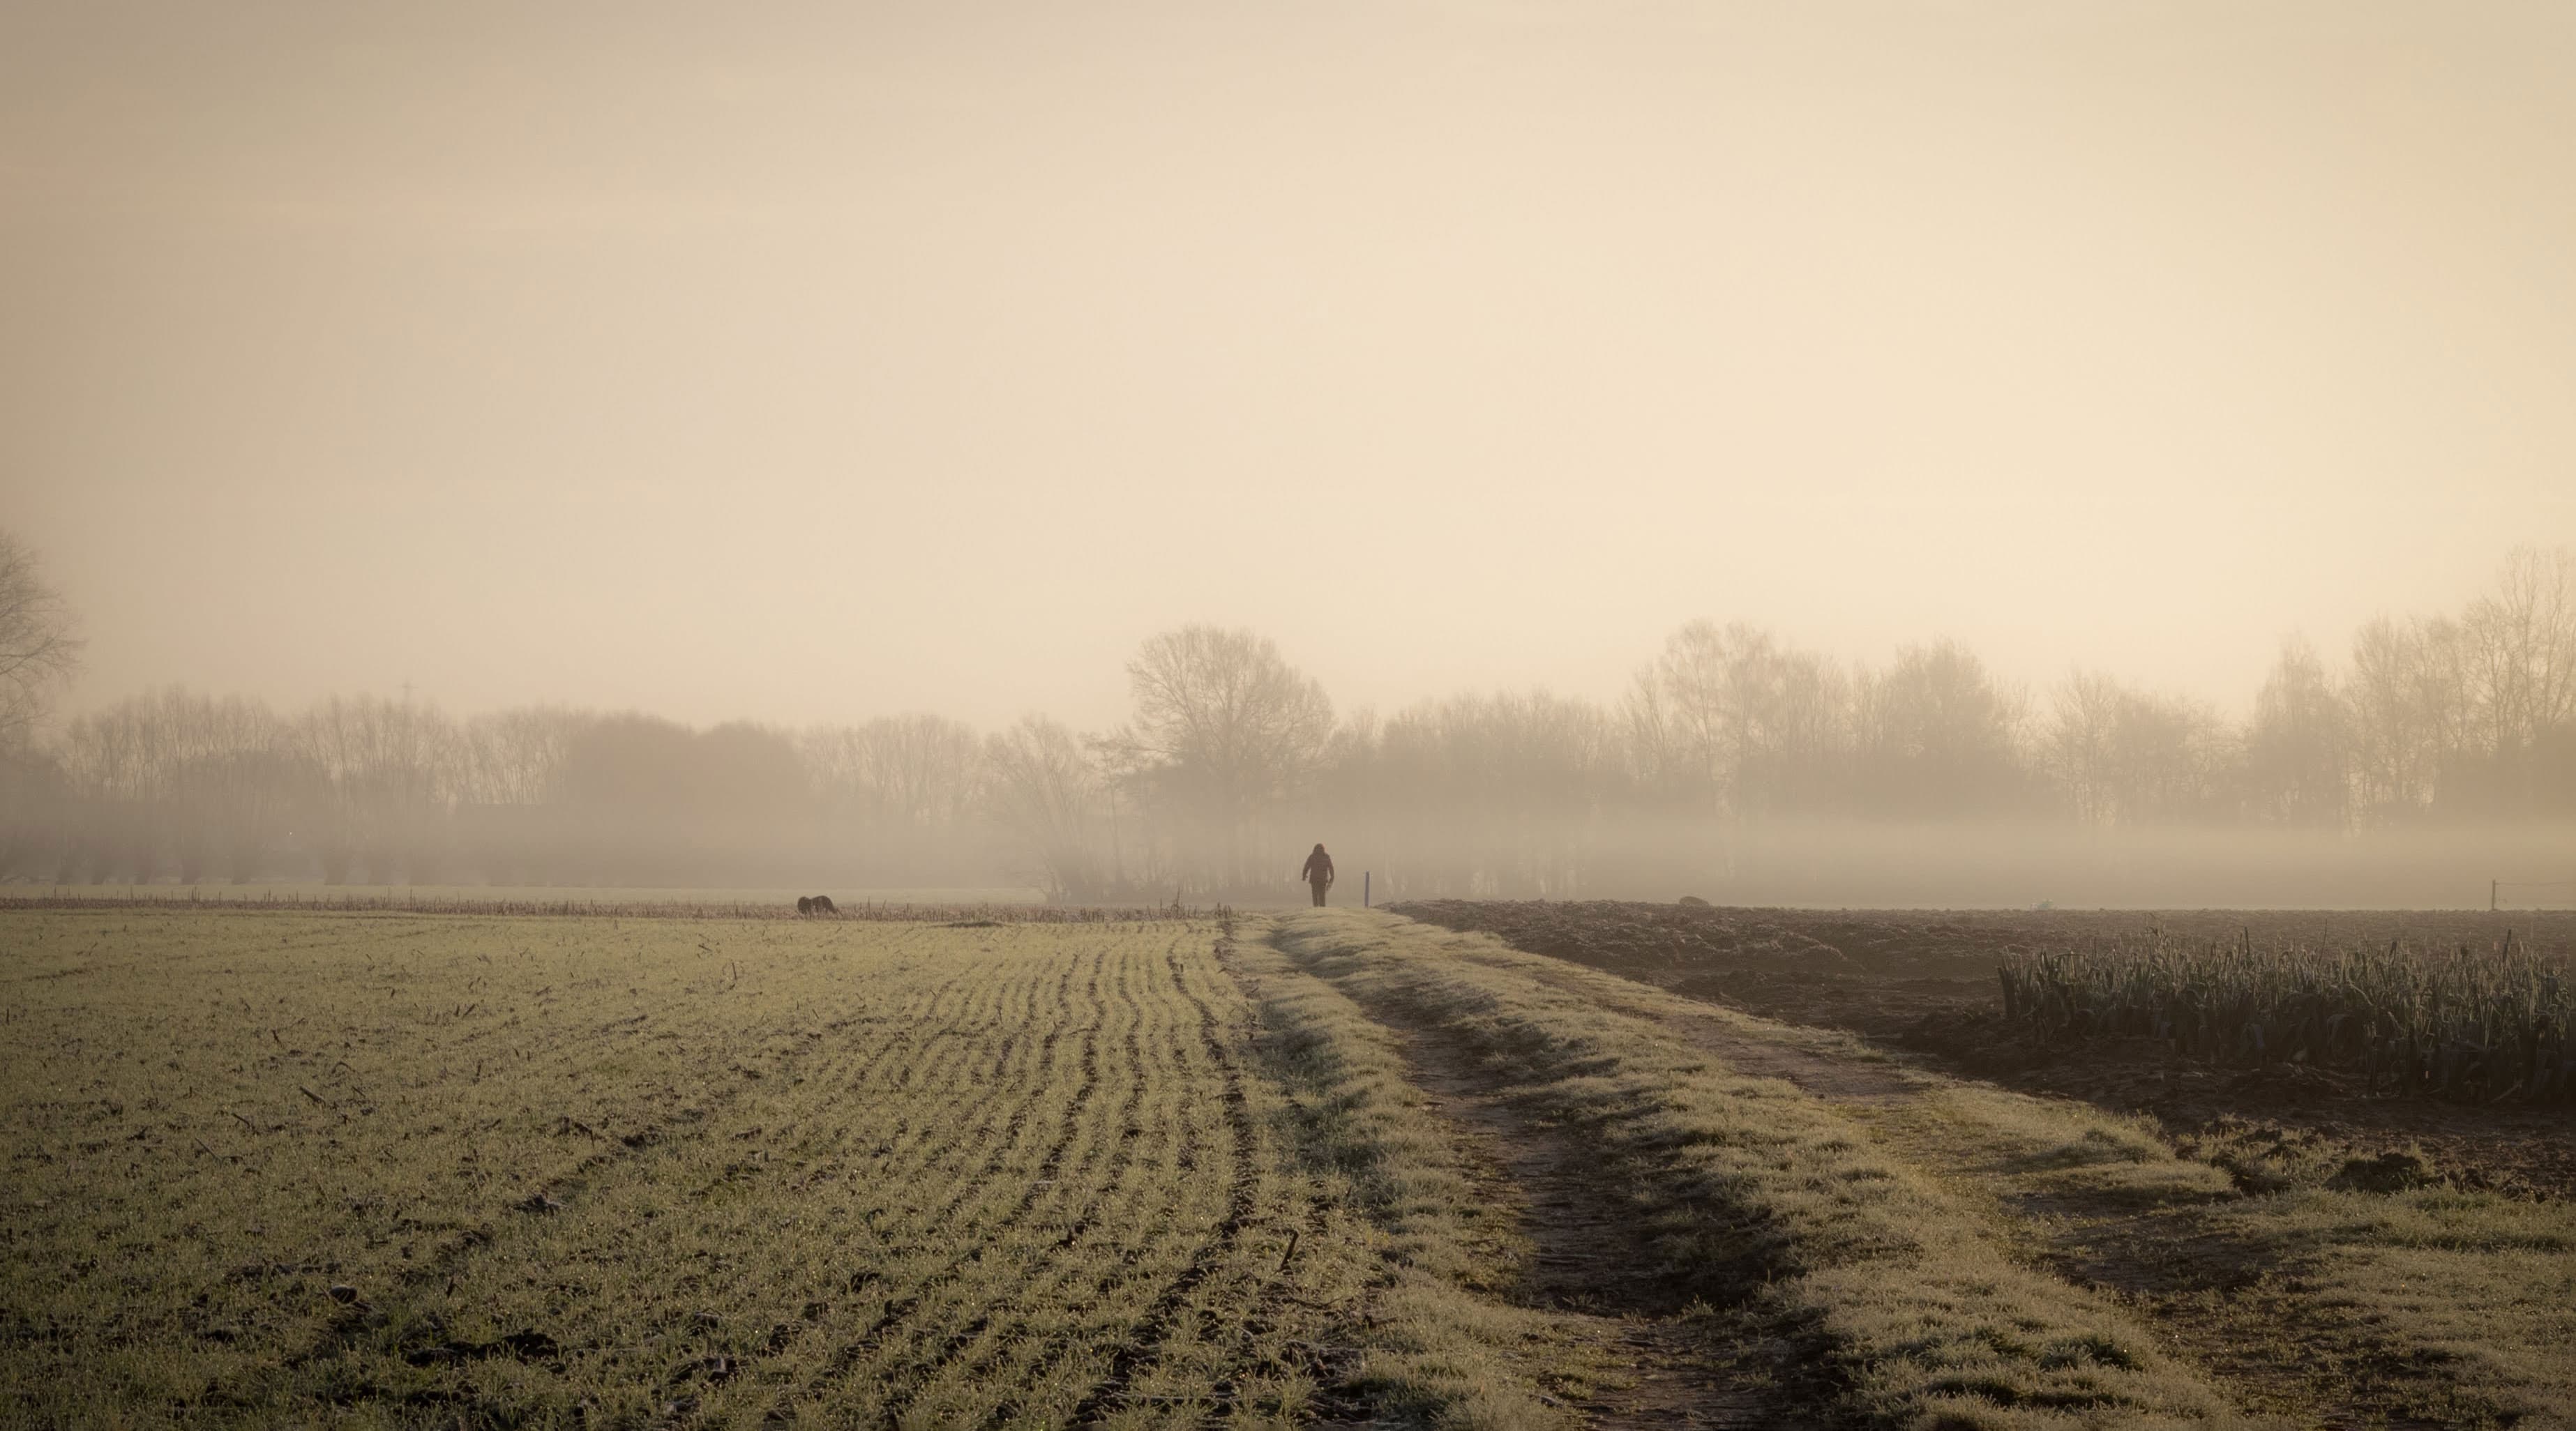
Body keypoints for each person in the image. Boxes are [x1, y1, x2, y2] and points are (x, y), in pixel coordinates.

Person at [1300, 843, 1336, 907]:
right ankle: (1322, 908)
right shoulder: (1326, 857)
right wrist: (1332, 877)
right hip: (1323, 879)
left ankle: (1316, 907)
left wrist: (1304, 876)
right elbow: (1331, 867)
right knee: (1322, 895)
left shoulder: (1312, 857)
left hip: (1314, 879)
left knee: (1315, 895)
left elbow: (1306, 867)